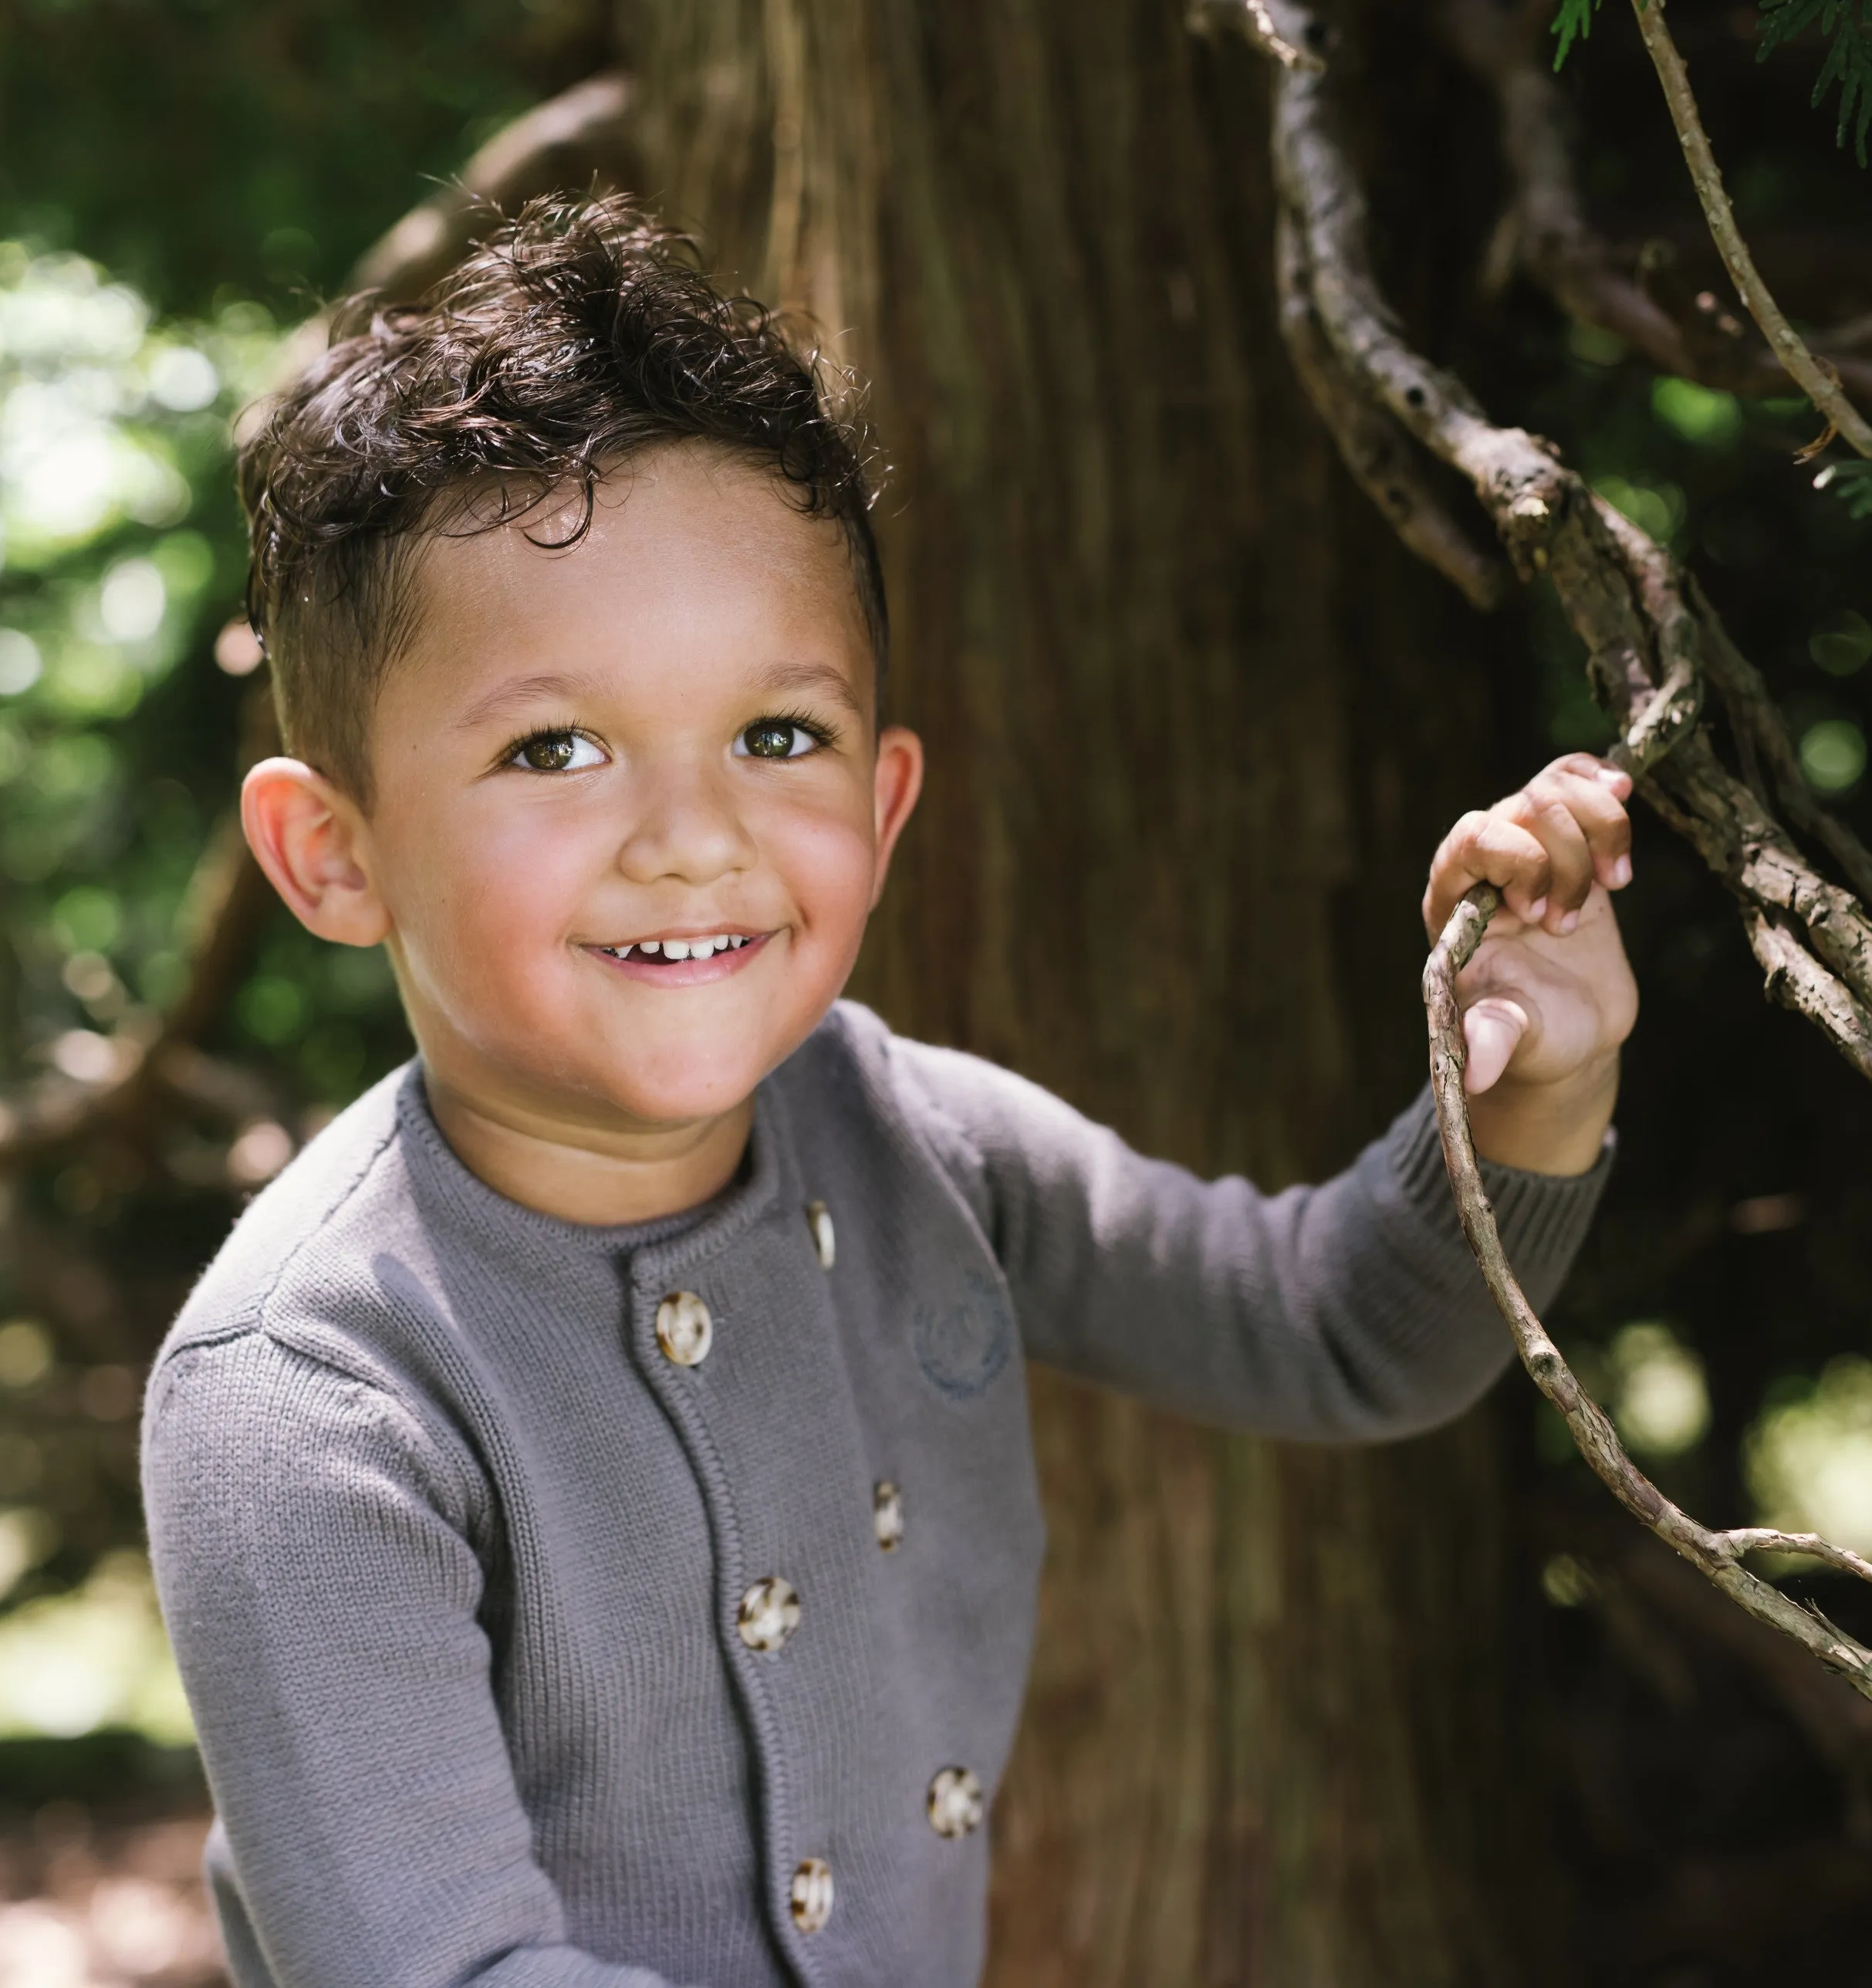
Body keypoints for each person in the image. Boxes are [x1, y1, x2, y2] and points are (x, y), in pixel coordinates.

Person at [141, 193, 1637, 1988]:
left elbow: (1329, 1327)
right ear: (333, 854)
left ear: (884, 800)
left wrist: (1534, 1081)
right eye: (557, 747)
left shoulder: (914, 1140)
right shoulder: (309, 1391)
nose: (694, 840)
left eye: (780, 736)